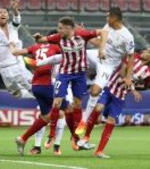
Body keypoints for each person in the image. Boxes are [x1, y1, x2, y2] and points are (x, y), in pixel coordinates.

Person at [33, 17, 107, 149]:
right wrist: (38, 37)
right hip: (64, 74)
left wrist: (101, 49)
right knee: (57, 103)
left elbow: (103, 32)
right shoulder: (57, 37)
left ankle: (76, 136)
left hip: (79, 75)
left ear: (69, 28)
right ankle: (51, 135)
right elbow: (42, 40)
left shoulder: (82, 35)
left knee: (77, 104)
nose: (59, 30)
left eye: (61, 28)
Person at [77, 46, 150, 158]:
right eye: (146, 49)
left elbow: (135, 81)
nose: (144, 51)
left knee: (111, 121)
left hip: (120, 95)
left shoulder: (148, 72)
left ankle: (99, 151)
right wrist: (132, 88)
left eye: (148, 51)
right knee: (98, 108)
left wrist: (132, 86)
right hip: (109, 87)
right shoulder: (133, 55)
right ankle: (86, 137)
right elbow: (122, 72)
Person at [76, 8, 135, 136]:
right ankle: (41, 62)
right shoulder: (107, 26)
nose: (106, 18)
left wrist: (129, 77)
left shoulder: (127, 36)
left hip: (108, 65)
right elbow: (99, 42)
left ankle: (83, 121)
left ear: (115, 18)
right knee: (74, 54)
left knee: (95, 91)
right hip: (97, 55)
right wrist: (84, 33)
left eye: (108, 16)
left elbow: (131, 57)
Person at [10, 39, 67, 156]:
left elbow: (15, 52)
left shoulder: (35, 47)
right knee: (67, 109)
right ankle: (76, 139)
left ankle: (22, 138)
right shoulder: (56, 47)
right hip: (48, 85)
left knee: (45, 117)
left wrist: (11, 46)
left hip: (36, 86)